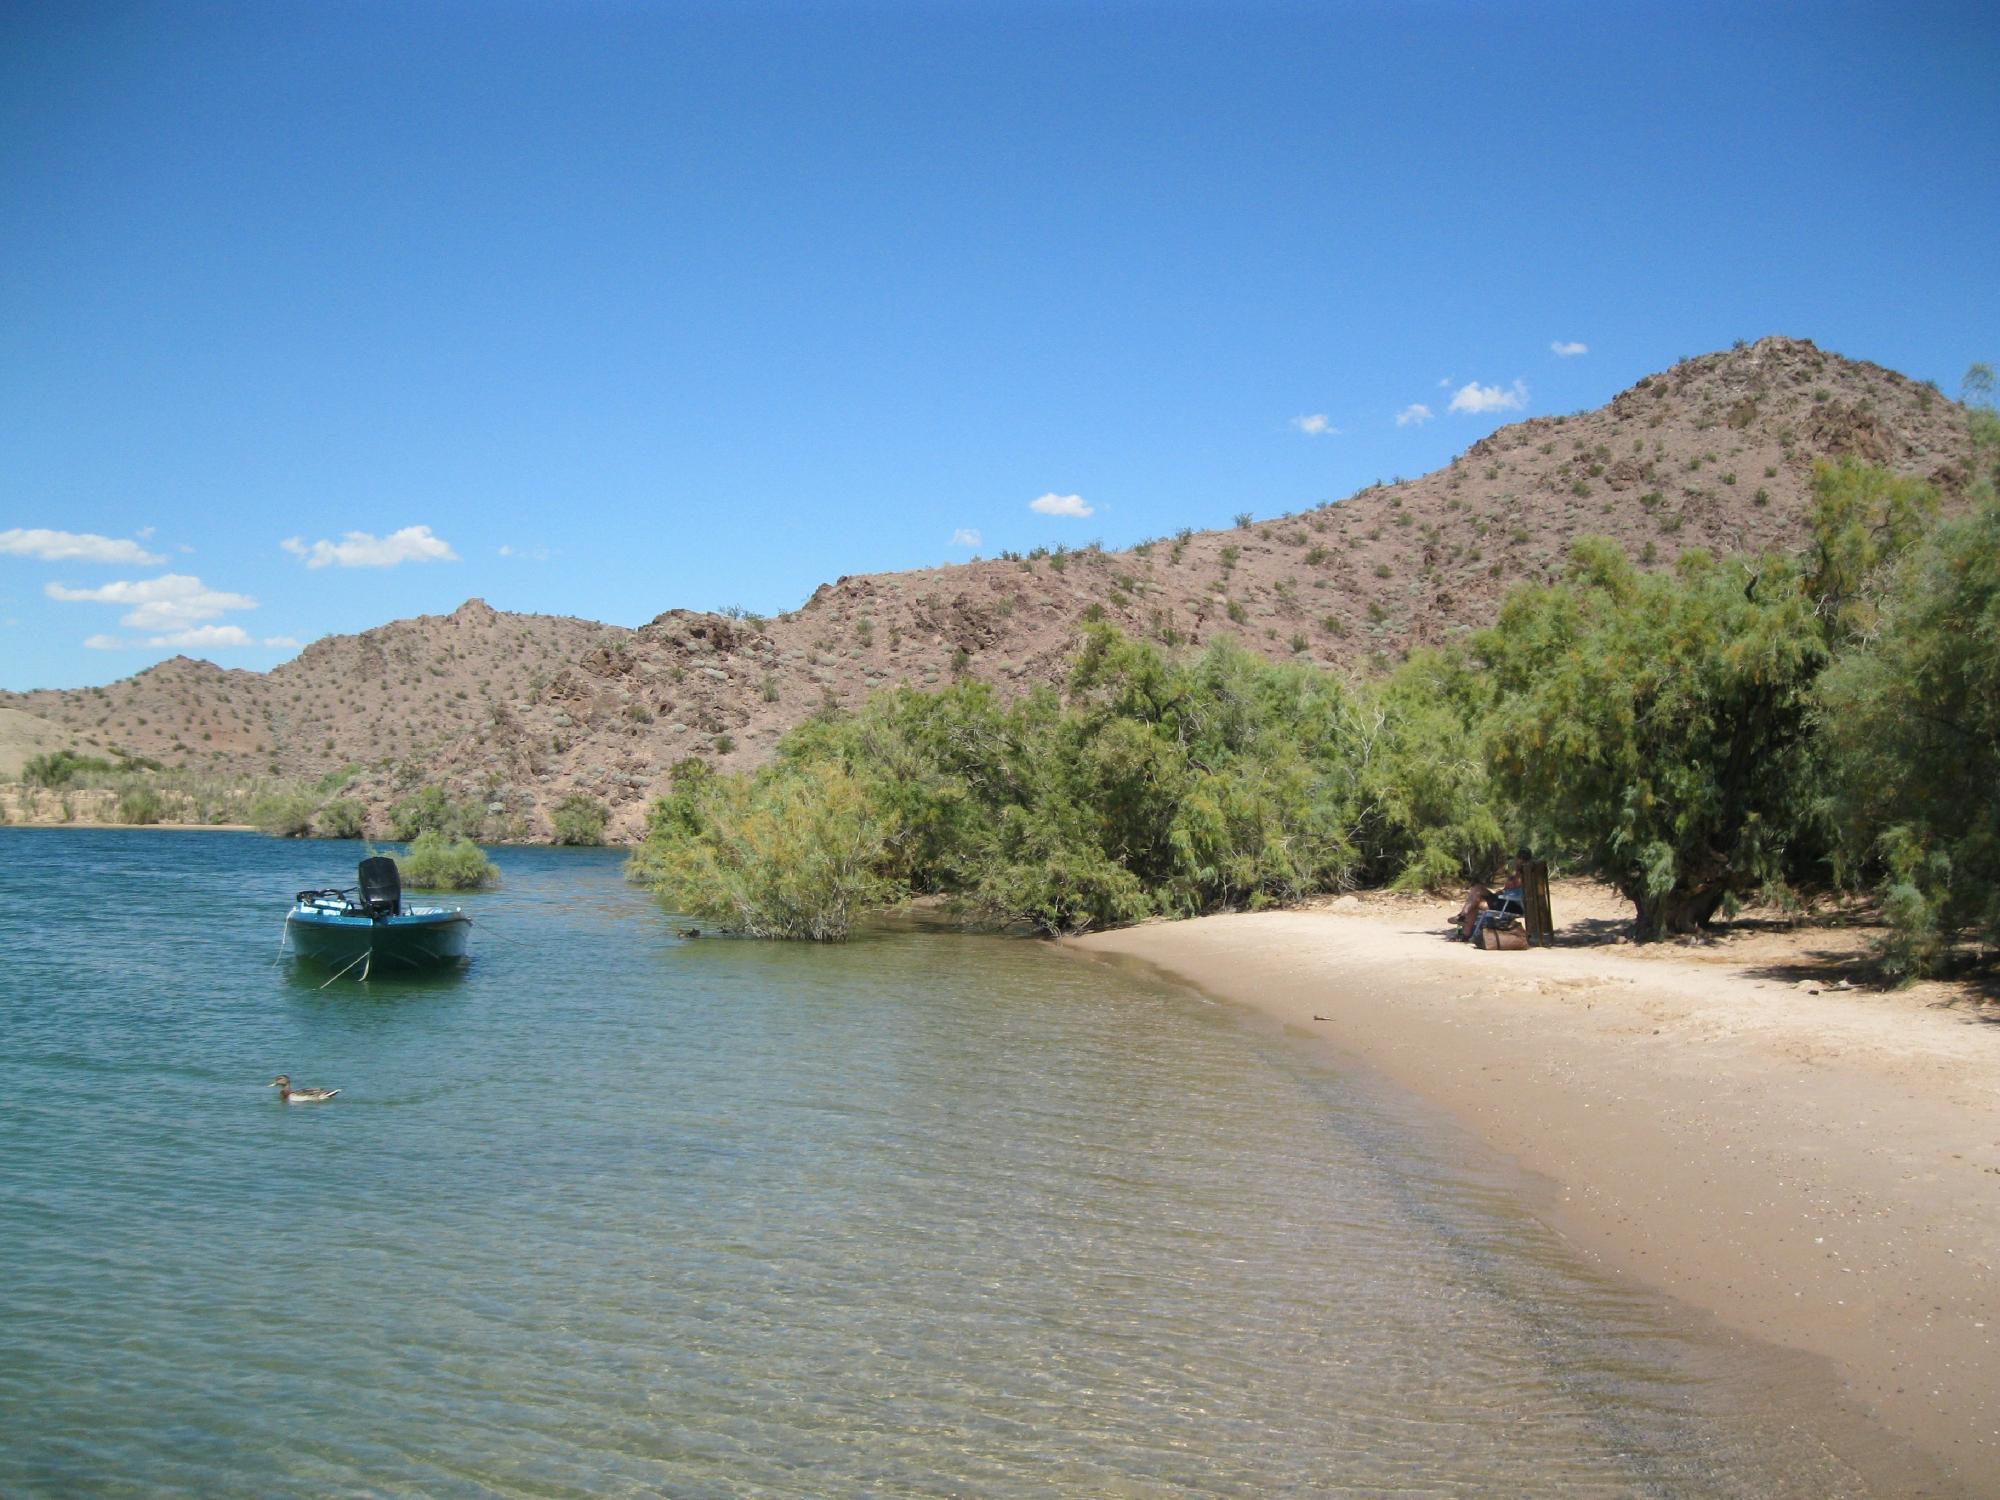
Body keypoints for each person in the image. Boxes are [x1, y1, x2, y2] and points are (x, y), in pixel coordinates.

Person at [1449, 852, 1529, 942]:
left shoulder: (1526, 875)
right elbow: (1510, 889)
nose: (1519, 861)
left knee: (1478, 890)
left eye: (1522, 859)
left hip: (1512, 904)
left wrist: (1507, 891)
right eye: (1519, 858)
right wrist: (1503, 891)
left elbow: (1518, 890)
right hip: (1503, 901)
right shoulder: (1516, 874)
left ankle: (1462, 919)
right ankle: (1464, 931)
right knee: (1476, 895)